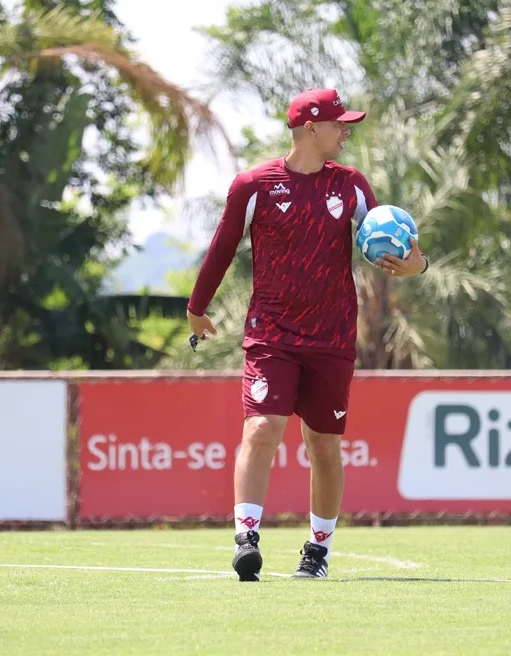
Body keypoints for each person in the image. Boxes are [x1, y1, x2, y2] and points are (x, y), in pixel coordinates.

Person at [187, 88, 429, 581]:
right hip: (271, 332)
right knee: (261, 429)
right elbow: (222, 246)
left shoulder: (352, 185)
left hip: (332, 335)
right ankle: (246, 539)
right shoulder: (253, 185)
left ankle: (317, 550)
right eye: (340, 124)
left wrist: (415, 265)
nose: (346, 131)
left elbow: (392, 237)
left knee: (323, 444)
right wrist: (196, 308)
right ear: (310, 129)